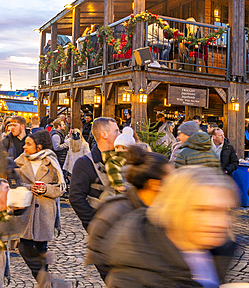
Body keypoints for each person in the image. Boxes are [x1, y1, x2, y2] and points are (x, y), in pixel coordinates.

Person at [103, 166, 238, 287]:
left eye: (225, 210)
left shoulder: (216, 252)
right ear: (174, 210)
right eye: (202, 210)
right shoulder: (132, 277)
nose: (221, 223)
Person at [86, 146, 170, 280]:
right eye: (169, 176)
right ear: (155, 184)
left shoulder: (165, 210)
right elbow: (98, 253)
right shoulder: (116, 210)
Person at [14, 129, 66, 279]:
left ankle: (43, 279)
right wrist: (30, 187)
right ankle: (41, 277)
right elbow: (12, 183)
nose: (24, 147)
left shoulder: (51, 162)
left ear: (39, 147)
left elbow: (60, 188)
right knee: (24, 247)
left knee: (42, 249)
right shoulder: (20, 161)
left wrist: (46, 189)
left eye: (28, 144)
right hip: (26, 213)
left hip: (44, 212)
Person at [68, 116, 120, 229]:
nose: (119, 134)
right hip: (102, 228)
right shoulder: (85, 163)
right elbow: (76, 198)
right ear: (104, 134)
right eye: (116, 131)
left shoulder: (121, 158)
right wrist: (94, 223)